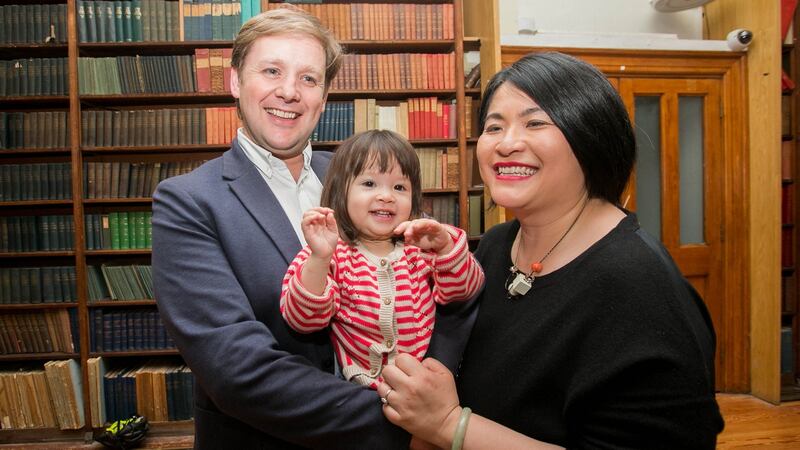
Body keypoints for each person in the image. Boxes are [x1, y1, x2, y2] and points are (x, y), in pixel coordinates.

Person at [151, 8, 477, 449]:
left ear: (324, 97)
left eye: (308, 79)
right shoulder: (188, 200)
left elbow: (442, 294)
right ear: (234, 81)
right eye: (271, 71)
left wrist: (433, 388)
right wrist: (412, 424)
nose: (289, 92)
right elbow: (236, 369)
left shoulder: (368, 179)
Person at [376, 52, 725, 449]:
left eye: (535, 122)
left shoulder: (640, 288)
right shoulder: (494, 247)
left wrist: (449, 425)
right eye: (494, 127)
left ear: (590, 136)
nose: (506, 144)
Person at [280, 130, 485, 389]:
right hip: (357, 393)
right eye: (369, 184)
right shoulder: (330, 254)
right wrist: (319, 259)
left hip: (426, 388)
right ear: (340, 191)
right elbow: (302, 320)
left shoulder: (421, 248)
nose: (386, 196)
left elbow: (465, 289)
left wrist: (445, 248)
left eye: (399, 187)